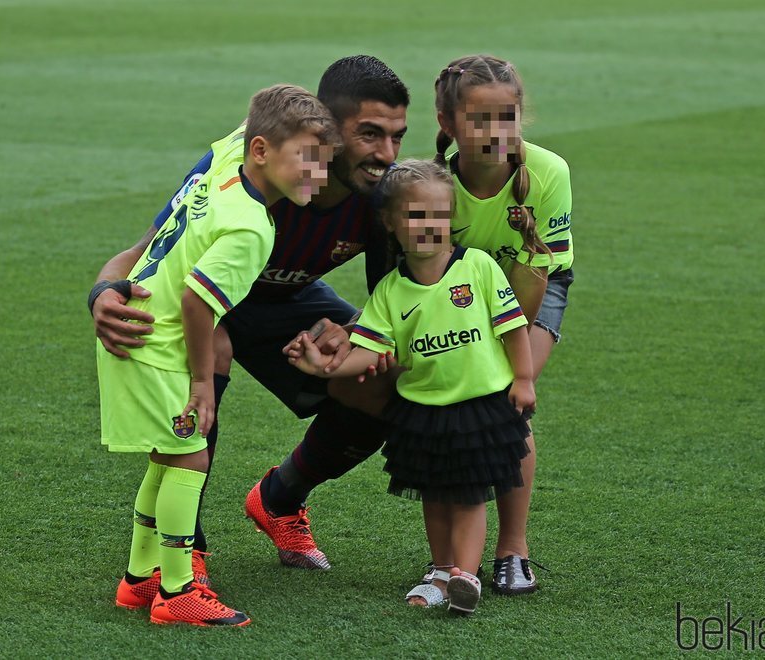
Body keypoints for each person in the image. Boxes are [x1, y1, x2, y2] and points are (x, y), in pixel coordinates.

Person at [91, 55, 410, 575]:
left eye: (397, 136)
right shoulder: (244, 159)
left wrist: (355, 333)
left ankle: (280, 498)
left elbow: (394, 303)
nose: (387, 155)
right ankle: (180, 551)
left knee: (381, 373)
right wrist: (103, 292)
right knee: (211, 350)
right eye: (370, 134)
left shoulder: (385, 193)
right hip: (202, 304)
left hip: (287, 304)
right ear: (324, 126)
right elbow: (147, 249)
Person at [99, 84, 337, 627]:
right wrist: (202, 384)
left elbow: (252, 120)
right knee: (189, 457)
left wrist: (290, 114)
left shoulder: (228, 165)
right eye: (306, 158)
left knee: (168, 455)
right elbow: (197, 301)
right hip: (156, 346)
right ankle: (178, 590)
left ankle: (140, 579)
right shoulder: (252, 228)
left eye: (324, 164)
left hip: (137, 337)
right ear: (261, 151)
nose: (317, 177)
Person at [288, 160, 536, 615]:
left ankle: (465, 575)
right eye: (416, 216)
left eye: (439, 215)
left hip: (479, 406)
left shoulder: (476, 267)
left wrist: (522, 379)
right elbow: (367, 354)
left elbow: (512, 327)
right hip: (423, 408)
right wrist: (322, 369)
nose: (429, 226)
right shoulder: (389, 292)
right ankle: (441, 573)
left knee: (468, 495)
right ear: (390, 222)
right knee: (435, 496)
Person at [432, 54, 575, 594]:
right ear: (447, 123)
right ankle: (445, 558)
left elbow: (537, 272)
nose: (498, 132)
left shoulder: (547, 172)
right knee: (453, 403)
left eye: (508, 116)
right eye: (480, 118)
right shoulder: (432, 184)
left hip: (533, 288)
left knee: (505, 402)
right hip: (459, 302)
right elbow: (427, 281)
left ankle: (513, 549)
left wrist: (510, 364)